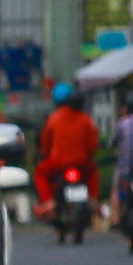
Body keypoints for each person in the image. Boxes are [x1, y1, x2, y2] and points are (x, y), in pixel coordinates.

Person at [33, 82, 101, 214]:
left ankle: (48, 201)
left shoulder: (54, 118)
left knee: (40, 174)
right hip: (82, 163)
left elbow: (45, 145)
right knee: (93, 172)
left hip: (57, 163)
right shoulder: (86, 120)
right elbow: (93, 146)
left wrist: (44, 155)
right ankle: (93, 200)